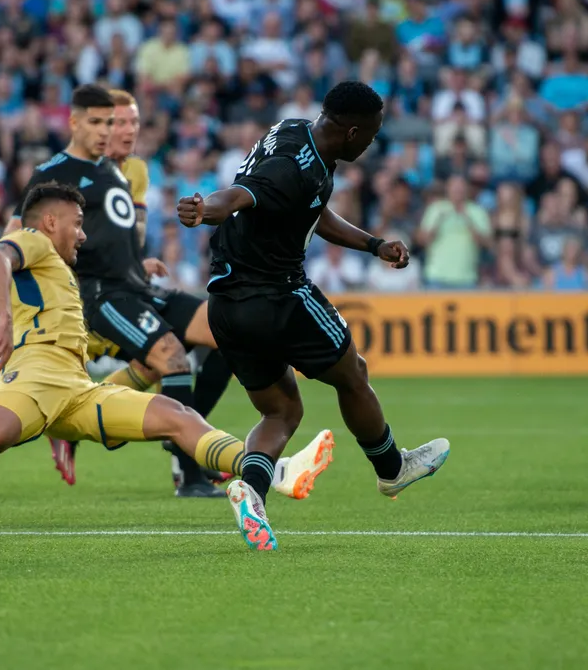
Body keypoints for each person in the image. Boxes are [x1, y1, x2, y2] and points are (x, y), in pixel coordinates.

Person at [0, 183, 331, 530]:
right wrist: (3, 327)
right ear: (50, 222)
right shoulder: (32, 240)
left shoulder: (55, 281)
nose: (83, 235)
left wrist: (134, 362)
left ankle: (276, 472)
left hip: (76, 391)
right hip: (31, 382)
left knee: (177, 414)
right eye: (77, 222)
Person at [178, 81, 450, 551]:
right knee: (354, 373)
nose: (371, 143)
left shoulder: (292, 132)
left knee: (281, 409)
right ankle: (391, 470)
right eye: (370, 134)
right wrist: (205, 209)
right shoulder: (291, 170)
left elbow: (309, 212)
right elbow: (240, 195)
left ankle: (252, 491)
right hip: (279, 297)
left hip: (227, 305)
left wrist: (373, 244)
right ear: (350, 132)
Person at [48, 88, 235, 493]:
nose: (129, 129)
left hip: (134, 286)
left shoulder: (135, 170)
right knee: (170, 362)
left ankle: (182, 435)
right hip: (92, 295)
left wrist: (136, 263)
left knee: (226, 334)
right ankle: (188, 469)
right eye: (119, 121)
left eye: (135, 121)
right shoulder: (73, 173)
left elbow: (129, 237)